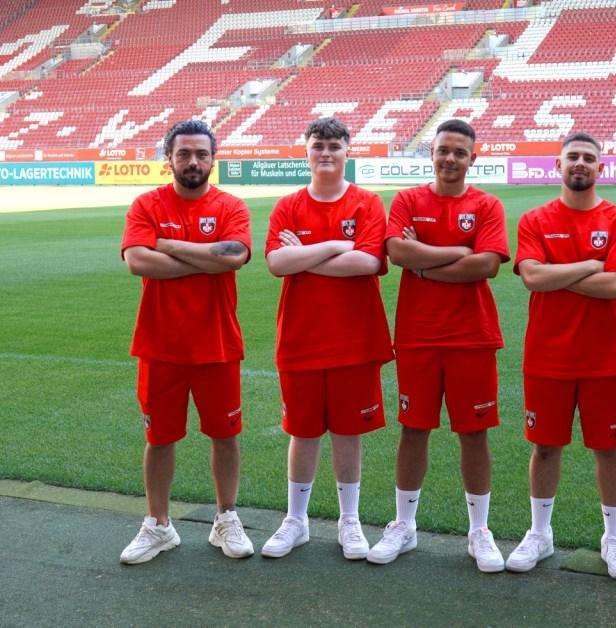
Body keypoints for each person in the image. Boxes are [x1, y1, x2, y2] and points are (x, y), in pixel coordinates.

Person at [366, 119, 511, 572]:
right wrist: (458, 252)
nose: (450, 158)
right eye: (443, 150)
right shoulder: (408, 200)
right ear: (431, 152)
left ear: (473, 158)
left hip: (472, 336)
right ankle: (404, 525)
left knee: (474, 433)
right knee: (413, 429)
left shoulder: (486, 204)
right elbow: (397, 252)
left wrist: (425, 263)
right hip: (418, 335)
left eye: (459, 152)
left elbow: (486, 266)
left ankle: (479, 530)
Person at [506, 133, 616, 579]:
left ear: (601, 167)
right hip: (547, 357)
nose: (580, 163)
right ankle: (540, 533)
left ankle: (613, 537)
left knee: (609, 450)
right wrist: (590, 265)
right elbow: (532, 277)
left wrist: (557, 274)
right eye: (572, 157)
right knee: (545, 448)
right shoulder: (535, 219)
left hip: (605, 357)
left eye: (588, 158)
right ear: (558, 165)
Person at [119, 119, 254, 564]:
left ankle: (225, 518)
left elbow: (234, 255)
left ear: (213, 159)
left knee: (225, 435)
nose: (193, 161)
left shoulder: (231, 206)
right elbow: (138, 261)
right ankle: (159, 525)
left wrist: (168, 244)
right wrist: (205, 258)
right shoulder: (147, 203)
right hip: (160, 345)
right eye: (184, 154)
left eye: (201, 154)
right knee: (159, 439)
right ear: (169, 159)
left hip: (217, 343)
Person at [262, 117, 393, 561]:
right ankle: (295, 520)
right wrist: (338, 245)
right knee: (302, 432)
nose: (326, 153)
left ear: (347, 152)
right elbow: (277, 264)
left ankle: (349, 520)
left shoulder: (367, 203)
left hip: (355, 339)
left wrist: (303, 254)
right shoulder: (288, 205)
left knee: (347, 432)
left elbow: (367, 263)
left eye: (334, 146)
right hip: (300, 338)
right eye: (318, 145)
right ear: (306, 151)